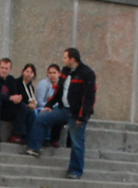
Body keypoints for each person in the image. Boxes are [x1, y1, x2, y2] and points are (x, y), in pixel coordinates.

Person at [24, 48, 96, 179]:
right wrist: (49, 105)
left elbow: (89, 97)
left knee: (77, 142)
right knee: (41, 117)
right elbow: (58, 91)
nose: (63, 60)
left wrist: (82, 116)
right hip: (63, 109)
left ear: (72, 59)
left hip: (77, 114)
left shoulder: (87, 73)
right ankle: (34, 147)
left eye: (65, 57)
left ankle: (75, 170)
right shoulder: (65, 71)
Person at [0, 58, 32, 142]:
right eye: (2, 68)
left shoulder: (11, 80)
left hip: (6, 108)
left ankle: (16, 134)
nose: (4, 70)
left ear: (10, 70)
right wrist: (9, 98)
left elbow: (14, 94)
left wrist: (17, 98)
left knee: (23, 107)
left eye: (6, 68)